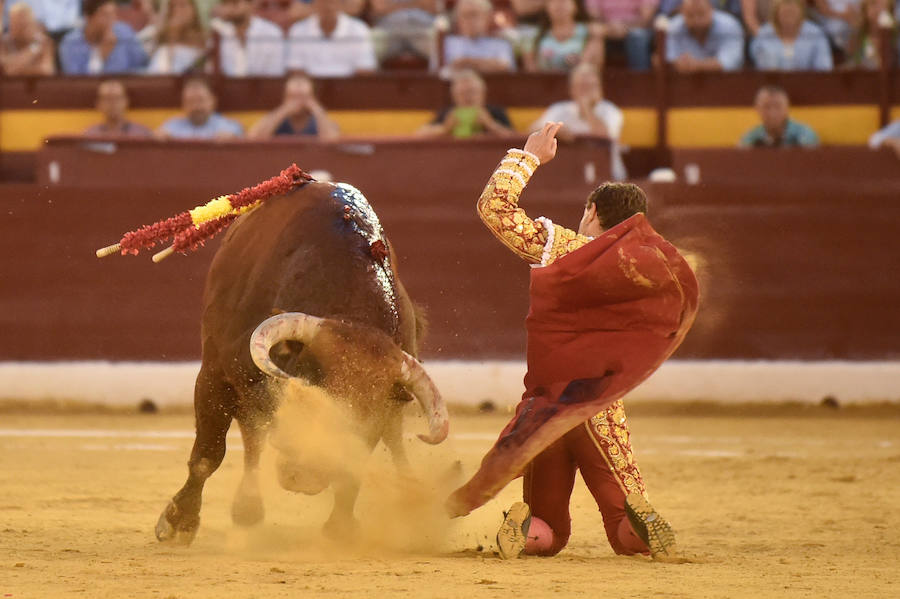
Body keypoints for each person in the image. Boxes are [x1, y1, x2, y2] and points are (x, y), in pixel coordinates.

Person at [445, 121, 699, 560]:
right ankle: (640, 522)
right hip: (599, 406)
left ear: (592, 212)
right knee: (622, 521)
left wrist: (528, 157)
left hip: (545, 411)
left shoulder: (564, 249)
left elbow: (495, 208)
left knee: (551, 530)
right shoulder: (642, 270)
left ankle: (526, 530)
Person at [529, 62, 626, 180]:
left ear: (599, 88)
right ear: (572, 89)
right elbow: (532, 131)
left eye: (589, 86)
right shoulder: (559, 109)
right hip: (566, 176)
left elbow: (604, 137)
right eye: (581, 86)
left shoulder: (611, 111)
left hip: (608, 178)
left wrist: (586, 108)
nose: (585, 91)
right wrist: (554, 130)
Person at [286, 0, 377, 77]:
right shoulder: (298, 30)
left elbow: (365, 68)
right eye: (323, 1)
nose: (328, 7)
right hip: (310, 93)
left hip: (349, 91)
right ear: (314, 4)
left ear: (341, 3)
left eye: (332, 1)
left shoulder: (359, 29)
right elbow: (295, 69)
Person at [416, 69, 515, 139]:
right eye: (462, 93)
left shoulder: (495, 112)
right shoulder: (448, 114)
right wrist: (444, 129)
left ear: (483, 92)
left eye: (472, 92)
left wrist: (490, 125)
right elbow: (419, 135)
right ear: (454, 95)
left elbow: (515, 138)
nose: (468, 97)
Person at [58, 0, 148, 74]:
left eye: (113, 14)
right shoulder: (70, 44)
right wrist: (102, 54)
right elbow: (75, 81)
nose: (111, 21)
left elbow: (143, 68)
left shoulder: (125, 34)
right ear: (88, 17)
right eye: (105, 15)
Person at [248, 74, 340, 140]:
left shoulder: (319, 120)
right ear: (285, 97)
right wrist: (283, 110)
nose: (297, 102)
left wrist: (316, 109)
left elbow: (332, 141)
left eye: (302, 97)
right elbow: (253, 138)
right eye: (293, 97)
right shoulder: (275, 118)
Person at [750, 0, 833, 71]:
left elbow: (824, 68)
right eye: (785, 13)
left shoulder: (815, 34)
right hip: (772, 84)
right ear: (776, 14)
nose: (789, 18)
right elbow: (761, 68)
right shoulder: (764, 34)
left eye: (792, 13)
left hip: (808, 85)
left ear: (801, 13)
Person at [524, 0, 605, 72]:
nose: (559, 4)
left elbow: (594, 69)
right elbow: (532, 72)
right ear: (546, 7)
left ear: (576, 6)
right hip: (544, 85)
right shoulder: (536, 36)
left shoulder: (591, 33)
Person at [665, 0, 744, 72]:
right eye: (690, 15)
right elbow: (668, 60)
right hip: (684, 83)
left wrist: (697, 66)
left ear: (712, 10)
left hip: (725, 82)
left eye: (701, 14)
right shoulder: (673, 28)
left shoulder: (730, 26)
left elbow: (731, 63)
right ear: (682, 13)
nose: (696, 20)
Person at [211, 0, 285, 76]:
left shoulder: (271, 33)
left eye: (235, 3)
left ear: (250, 4)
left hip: (264, 86)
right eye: (226, 4)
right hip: (226, 86)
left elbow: (274, 75)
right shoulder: (219, 33)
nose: (229, 9)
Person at [157, 78, 244, 140]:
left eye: (200, 100)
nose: (196, 107)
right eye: (191, 101)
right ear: (183, 104)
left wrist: (233, 138)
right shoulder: (172, 127)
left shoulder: (229, 127)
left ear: (212, 101)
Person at [442, 0, 515, 73]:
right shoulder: (446, 44)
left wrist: (466, 63)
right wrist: (488, 64)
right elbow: (445, 70)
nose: (469, 20)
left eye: (474, 14)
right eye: (465, 15)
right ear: (457, 19)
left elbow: (505, 67)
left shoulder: (501, 44)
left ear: (487, 17)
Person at [584, 0, 658, 70]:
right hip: (606, 27)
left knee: (637, 35)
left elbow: (646, 18)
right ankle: (592, 78)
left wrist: (624, 27)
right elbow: (594, 15)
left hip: (637, 27)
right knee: (596, 32)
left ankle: (640, 79)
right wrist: (610, 28)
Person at [739, 85, 820, 147]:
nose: (772, 113)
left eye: (778, 106)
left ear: (787, 108)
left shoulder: (805, 134)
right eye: (766, 107)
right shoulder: (751, 138)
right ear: (757, 109)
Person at [146, 0, 207, 74]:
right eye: (172, 7)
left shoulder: (206, 39)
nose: (177, 10)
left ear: (193, 9)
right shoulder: (159, 40)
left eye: (182, 5)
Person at [369, 0, 437, 65]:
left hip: (422, 28)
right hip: (388, 29)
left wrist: (393, 6)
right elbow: (379, 9)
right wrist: (416, 4)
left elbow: (433, 7)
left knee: (440, 48)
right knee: (368, 46)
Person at [83, 79, 153, 137]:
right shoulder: (90, 135)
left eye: (117, 98)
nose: (113, 103)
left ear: (126, 102)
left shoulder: (143, 134)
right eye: (107, 99)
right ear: (98, 104)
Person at [0, 2, 55, 75]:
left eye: (25, 24)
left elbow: (46, 71)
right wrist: (33, 49)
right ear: (10, 25)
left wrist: (16, 67)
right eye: (17, 23)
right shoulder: (3, 42)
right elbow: (8, 70)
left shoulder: (44, 42)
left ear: (33, 24)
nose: (21, 28)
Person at [845, 0, 897, 69]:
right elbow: (851, 63)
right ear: (865, 10)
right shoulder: (857, 36)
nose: (878, 10)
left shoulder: (896, 35)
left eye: (883, 6)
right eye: (873, 4)